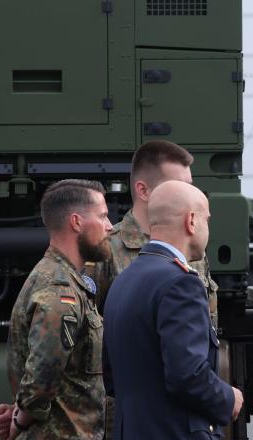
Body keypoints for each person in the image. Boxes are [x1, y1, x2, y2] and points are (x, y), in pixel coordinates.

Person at [102, 180, 242, 440]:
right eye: (206, 218)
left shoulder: (124, 282)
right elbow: (187, 375)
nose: (207, 226)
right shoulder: (181, 283)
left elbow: (111, 377)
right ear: (191, 220)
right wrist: (227, 396)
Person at [0, 179, 113, 440]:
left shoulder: (63, 279)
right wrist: (20, 421)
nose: (110, 226)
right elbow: (44, 371)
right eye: (102, 215)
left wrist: (20, 411)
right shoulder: (59, 290)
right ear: (76, 222)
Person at [90, 139, 219, 331]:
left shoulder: (190, 246)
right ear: (143, 190)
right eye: (177, 186)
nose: (190, 194)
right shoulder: (107, 249)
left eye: (190, 186)